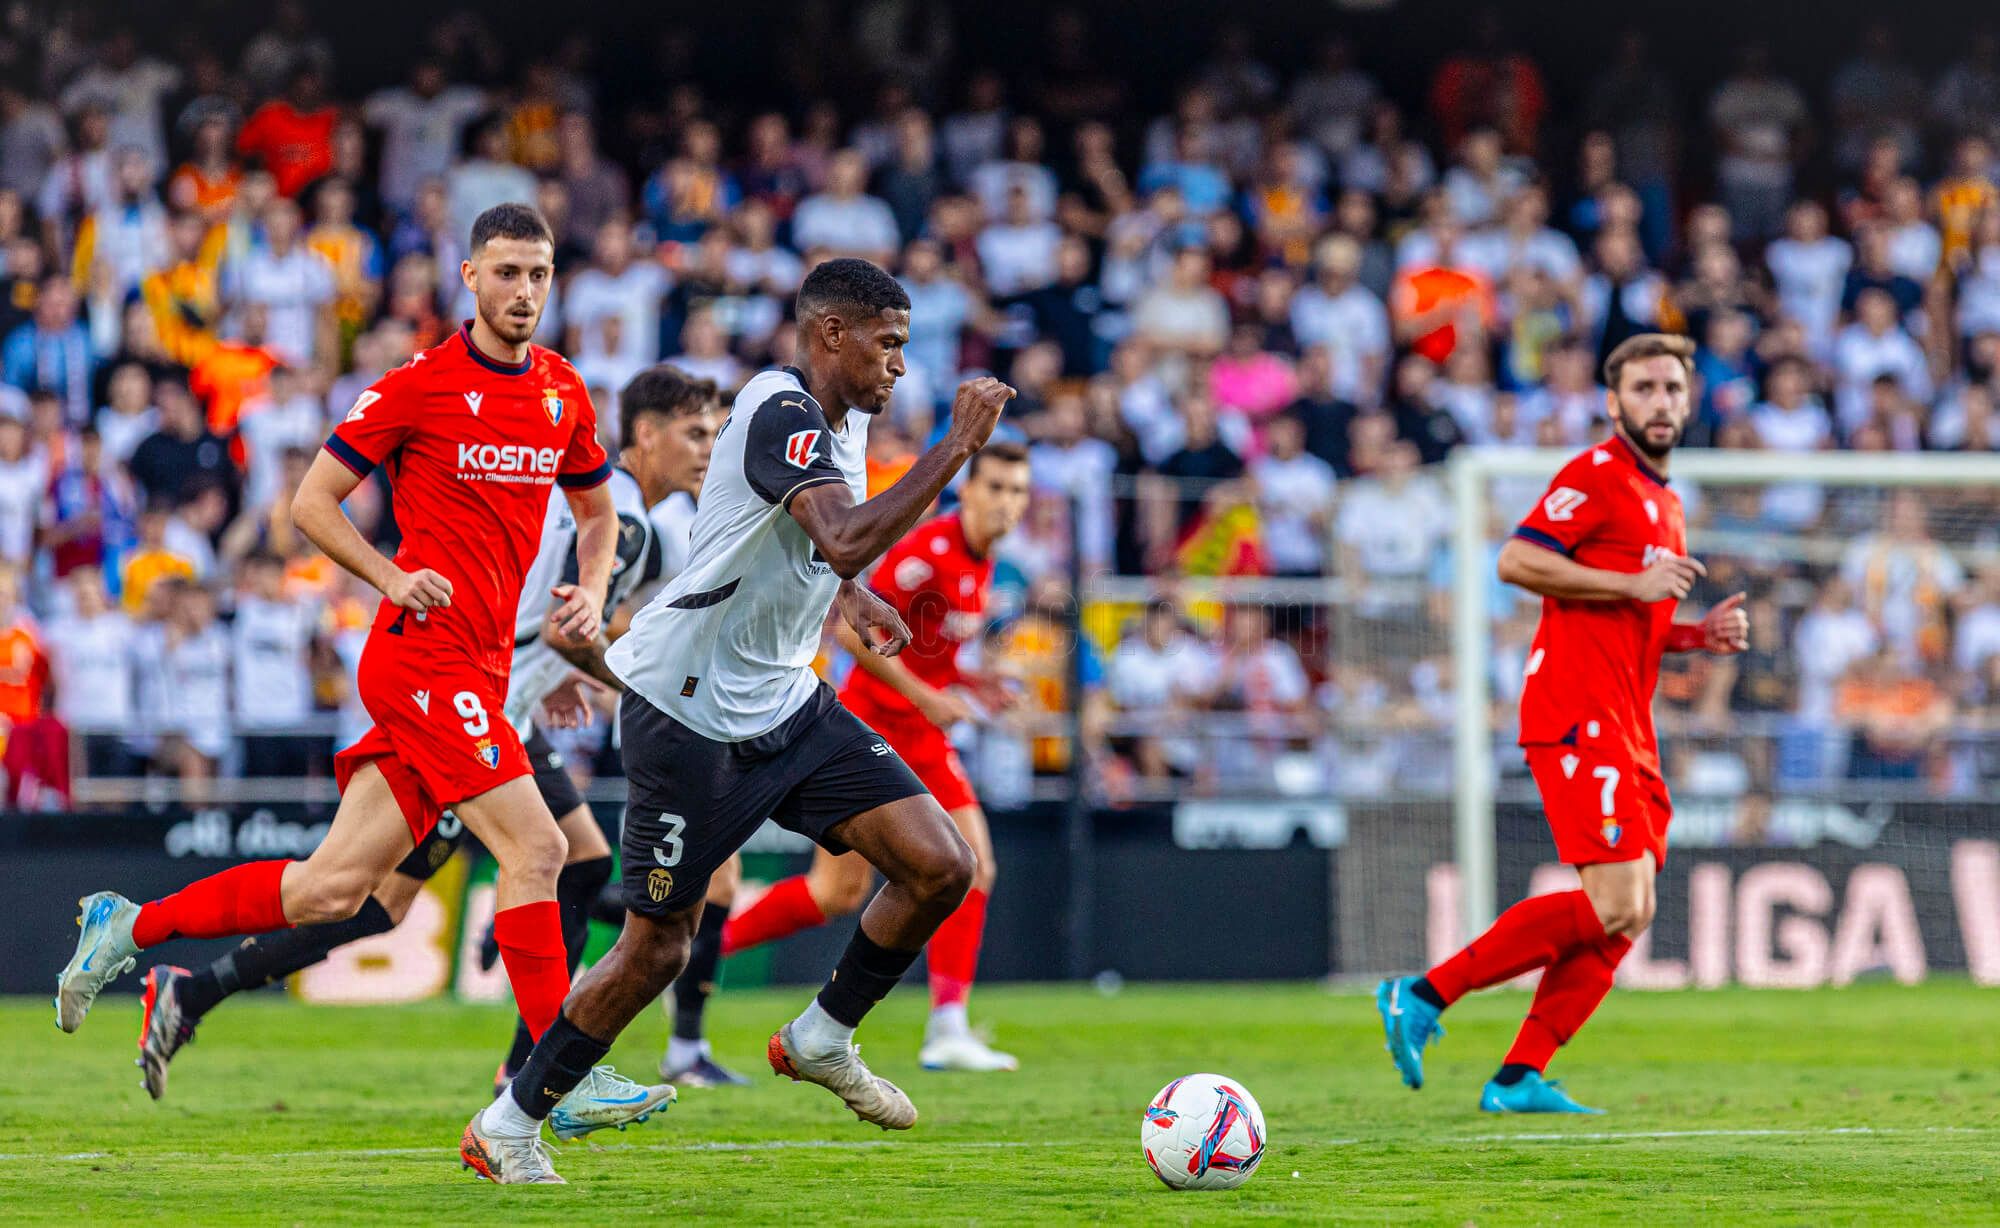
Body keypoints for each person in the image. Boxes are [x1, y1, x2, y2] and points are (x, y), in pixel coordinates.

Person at [55, 203, 662, 1139]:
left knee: (334, 892)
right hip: (421, 661)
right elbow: (311, 503)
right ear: (468, 277)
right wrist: (390, 574)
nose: (525, 292)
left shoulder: (563, 391)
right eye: (506, 273)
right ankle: (556, 1077)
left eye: (539, 275)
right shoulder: (417, 384)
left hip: (482, 670)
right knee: (540, 850)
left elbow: (597, 512)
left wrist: (586, 589)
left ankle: (127, 928)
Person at [461, 258, 1014, 1184]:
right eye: (887, 344)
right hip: (685, 714)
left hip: (785, 699)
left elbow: (819, 542)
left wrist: (853, 593)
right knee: (657, 949)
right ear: (831, 334)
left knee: (941, 863)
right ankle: (511, 1121)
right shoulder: (775, 409)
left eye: (905, 348)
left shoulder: (850, 418)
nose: (900, 366)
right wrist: (956, 449)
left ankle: (822, 1036)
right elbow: (839, 525)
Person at [132, 363, 722, 1105]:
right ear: (645, 436)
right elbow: (569, 624)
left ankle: (527, 1055)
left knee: (572, 863)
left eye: (715, 432)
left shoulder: (618, 515)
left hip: (506, 706)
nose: (708, 448)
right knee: (369, 897)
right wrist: (643, 689)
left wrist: (565, 669)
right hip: (464, 705)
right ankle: (194, 988)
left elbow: (544, 615)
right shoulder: (629, 525)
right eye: (696, 432)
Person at [1376, 334, 1750, 1113]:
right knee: (1616, 902)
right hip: (1576, 713)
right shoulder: (1596, 475)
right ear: (1614, 403)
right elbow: (1516, 560)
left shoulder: (1668, 502)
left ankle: (1519, 1076)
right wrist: (1633, 579)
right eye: (1644, 389)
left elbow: (1631, 616)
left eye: (1673, 390)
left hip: (1628, 721)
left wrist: (1692, 636)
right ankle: (1421, 993)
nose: (1661, 403)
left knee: (1632, 910)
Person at [719, 441, 1033, 1072]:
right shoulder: (929, 553)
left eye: (1017, 491)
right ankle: (700, 955)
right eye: (995, 488)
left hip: (920, 732)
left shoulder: (984, 563)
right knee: (837, 892)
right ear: (967, 492)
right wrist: (929, 699)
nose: (1006, 503)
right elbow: (850, 630)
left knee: (972, 866)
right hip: (874, 726)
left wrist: (973, 687)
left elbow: (927, 650)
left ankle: (947, 1025)